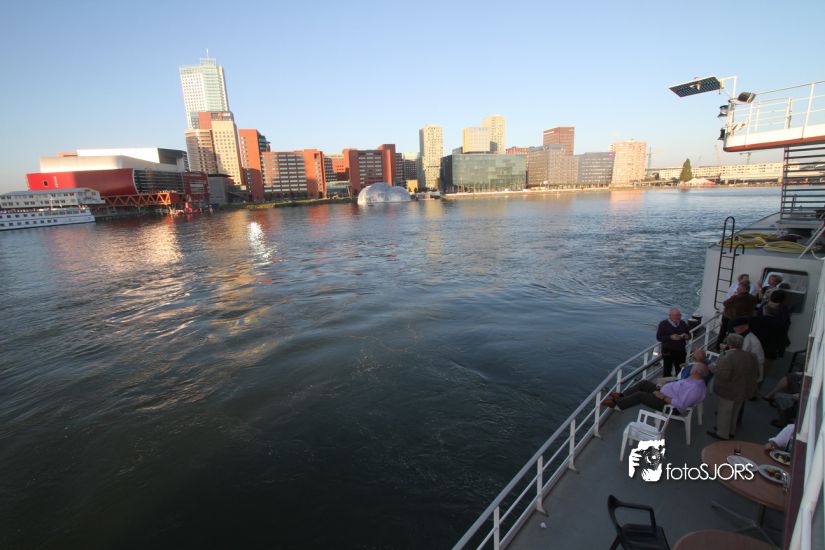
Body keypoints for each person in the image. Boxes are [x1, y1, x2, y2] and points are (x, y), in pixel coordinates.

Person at [707, 333, 759, 440]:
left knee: (724, 412)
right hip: (743, 389)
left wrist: (712, 368)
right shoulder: (751, 356)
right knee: (735, 412)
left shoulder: (727, 356)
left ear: (729, 344)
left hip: (729, 390)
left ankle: (722, 433)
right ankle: (731, 431)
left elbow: (723, 375)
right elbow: (755, 373)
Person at [601, 364, 708, 413]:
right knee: (644, 383)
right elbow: (678, 387)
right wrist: (663, 387)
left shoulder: (695, 389)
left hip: (669, 406)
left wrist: (663, 397)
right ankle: (621, 396)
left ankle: (617, 405)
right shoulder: (693, 379)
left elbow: (682, 404)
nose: (690, 369)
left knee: (640, 395)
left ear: (695, 372)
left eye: (692, 368)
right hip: (665, 393)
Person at [718, 281, 759, 349]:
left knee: (725, 333)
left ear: (744, 289)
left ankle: (721, 346)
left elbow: (725, 303)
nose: (737, 289)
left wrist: (734, 296)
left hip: (732, 319)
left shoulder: (736, 297)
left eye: (739, 288)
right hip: (745, 320)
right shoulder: (753, 298)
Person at [656, 308, 690, 377]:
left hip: (681, 351)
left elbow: (689, 335)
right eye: (676, 315)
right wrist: (670, 337)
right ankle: (667, 383)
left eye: (679, 315)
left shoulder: (683, 323)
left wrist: (687, 336)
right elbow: (659, 337)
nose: (678, 317)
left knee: (680, 370)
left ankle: (679, 382)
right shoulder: (663, 324)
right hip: (668, 351)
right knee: (667, 370)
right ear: (670, 316)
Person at [731, 318, 765, 383]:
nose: (735, 329)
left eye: (737, 327)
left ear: (746, 327)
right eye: (734, 327)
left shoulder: (753, 340)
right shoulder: (740, 335)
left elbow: (760, 360)